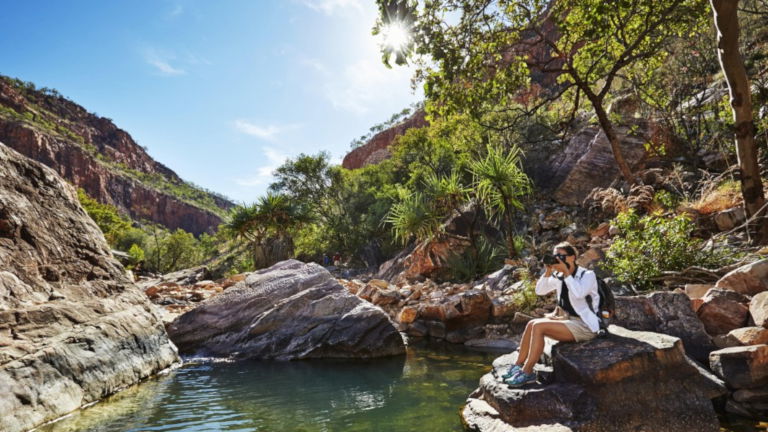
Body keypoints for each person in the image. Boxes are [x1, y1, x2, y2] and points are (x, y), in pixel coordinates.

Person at [502, 242, 601, 387]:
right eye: (555, 256)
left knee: (539, 327)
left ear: (573, 257)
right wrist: (548, 272)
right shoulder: (559, 275)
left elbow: (579, 294)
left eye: (562, 256)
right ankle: (518, 365)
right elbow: (540, 291)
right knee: (532, 323)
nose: (558, 259)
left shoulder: (587, 275)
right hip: (568, 321)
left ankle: (527, 372)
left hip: (586, 326)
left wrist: (566, 273)